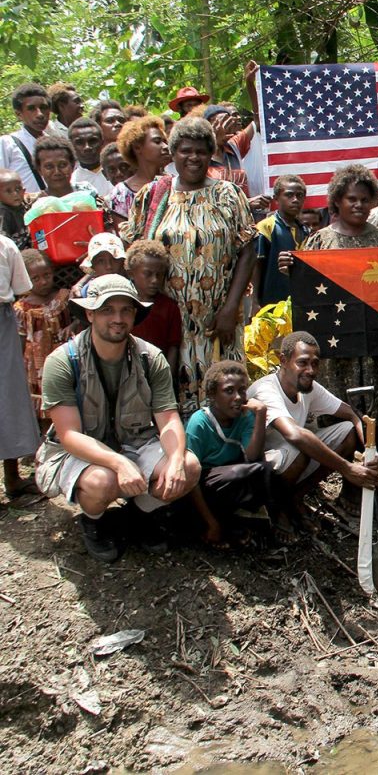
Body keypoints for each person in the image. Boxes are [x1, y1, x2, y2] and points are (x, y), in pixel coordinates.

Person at [35, 274, 200, 562]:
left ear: (136, 313)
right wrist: (119, 462)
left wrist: (175, 461)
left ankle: (140, 513)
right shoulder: (62, 362)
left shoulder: (151, 358)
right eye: (107, 310)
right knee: (103, 481)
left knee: (190, 466)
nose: (118, 318)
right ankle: (93, 519)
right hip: (80, 451)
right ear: (89, 313)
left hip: (134, 440)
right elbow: (69, 435)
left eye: (126, 310)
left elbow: (168, 418)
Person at [120, 117, 256, 413]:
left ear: (210, 153)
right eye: (185, 150)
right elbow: (134, 250)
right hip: (168, 315)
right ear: (173, 153)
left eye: (201, 151)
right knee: (166, 382)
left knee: (222, 386)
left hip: (217, 315)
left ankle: (221, 447)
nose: (193, 157)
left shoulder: (228, 194)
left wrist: (231, 308)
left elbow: (247, 249)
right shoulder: (152, 196)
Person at [277, 164, 378, 425]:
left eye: (364, 199)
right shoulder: (319, 242)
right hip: (336, 345)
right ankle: (342, 463)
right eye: (351, 199)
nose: (359, 205)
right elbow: (307, 289)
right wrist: (290, 268)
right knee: (337, 414)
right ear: (337, 200)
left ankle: (374, 460)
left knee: (376, 415)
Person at [248, 331, 378, 536]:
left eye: (315, 363)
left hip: (289, 458)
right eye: (302, 363)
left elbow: (349, 413)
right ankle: (276, 508)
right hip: (258, 471)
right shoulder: (266, 390)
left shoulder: (306, 386)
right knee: (300, 447)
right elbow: (295, 435)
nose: (310, 370)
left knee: (346, 432)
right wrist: (347, 468)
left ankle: (296, 497)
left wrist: (367, 445)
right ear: (283, 360)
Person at [186, 361, 275, 548]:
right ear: (212, 395)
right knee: (239, 474)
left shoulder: (245, 416)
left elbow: (252, 457)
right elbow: (190, 479)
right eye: (229, 391)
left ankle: (238, 522)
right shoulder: (199, 423)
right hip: (203, 487)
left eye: (242, 391)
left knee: (265, 471)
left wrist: (260, 415)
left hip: (229, 483)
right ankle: (210, 524)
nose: (238, 397)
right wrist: (212, 524)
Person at [1, 235, 40, 496]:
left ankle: (13, 477)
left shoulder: (5, 246)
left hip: (2, 321)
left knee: (8, 394)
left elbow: (21, 286)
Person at [13, 249, 72, 420]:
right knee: (45, 411)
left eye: (47, 275)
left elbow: (81, 320)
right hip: (37, 366)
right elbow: (21, 340)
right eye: (35, 278)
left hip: (64, 358)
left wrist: (74, 325)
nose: (44, 281)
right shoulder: (21, 309)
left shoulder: (64, 297)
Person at [123, 240, 182, 384]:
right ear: (131, 273)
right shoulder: (124, 304)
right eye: (147, 274)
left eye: (159, 275)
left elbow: (173, 346)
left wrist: (167, 377)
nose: (155, 280)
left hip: (157, 375)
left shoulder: (169, 307)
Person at [255, 175, 309, 306]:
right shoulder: (266, 227)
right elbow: (256, 268)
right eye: (289, 195)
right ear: (276, 199)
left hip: (299, 304)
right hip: (270, 305)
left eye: (300, 195)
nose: (295, 200)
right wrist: (254, 303)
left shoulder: (306, 232)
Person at [108, 115, 170, 225]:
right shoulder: (122, 194)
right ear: (137, 148)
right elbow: (124, 237)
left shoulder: (176, 184)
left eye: (165, 142)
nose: (165, 146)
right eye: (157, 141)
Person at [0, 83, 51, 193]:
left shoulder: (53, 144)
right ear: (19, 114)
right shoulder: (8, 143)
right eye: (31, 109)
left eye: (43, 108)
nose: (40, 114)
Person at [33, 135, 99, 200]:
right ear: (39, 170)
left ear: (73, 166)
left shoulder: (88, 193)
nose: (57, 172)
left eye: (62, 165)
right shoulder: (37, 203)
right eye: (49, 167)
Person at [68, 118, 111, 197]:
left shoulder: (119, 174)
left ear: (102, 142)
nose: (87, 147)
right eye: (80, 142)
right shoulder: (70, 183)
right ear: (71, 146)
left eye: (92, 141)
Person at [0, 168, 29, 249]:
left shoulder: (26, 204)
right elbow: (4, 242)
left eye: (18, 189)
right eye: (9, 191)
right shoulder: (3, 212)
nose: (15, 194)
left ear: (24, 190)